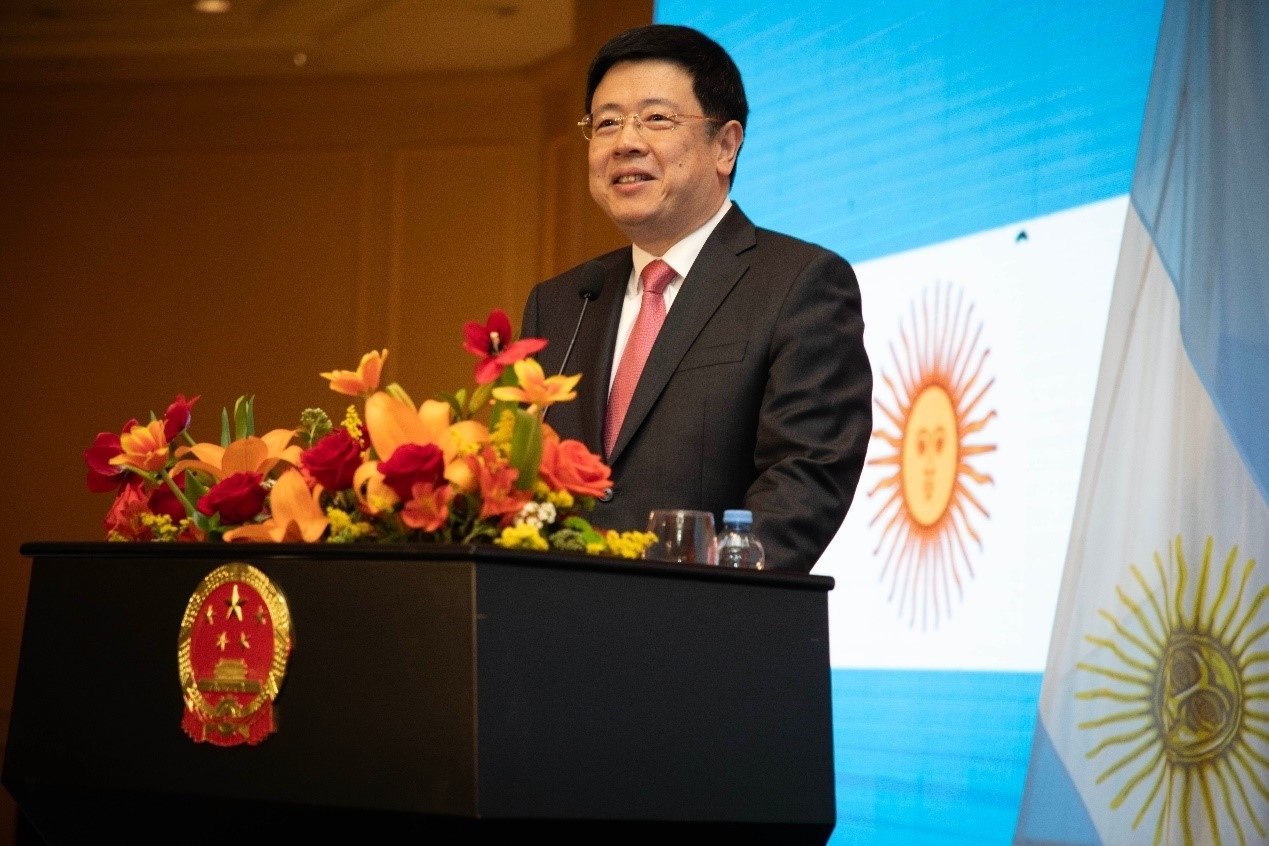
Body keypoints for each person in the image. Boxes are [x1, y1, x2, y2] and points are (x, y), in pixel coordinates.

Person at [520, 23, 872, 573]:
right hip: (556, 615)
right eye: (607, 122)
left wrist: (704, 592)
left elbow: (807, 476)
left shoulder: (798, 283)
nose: (626, 142)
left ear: (725, 145)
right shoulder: (562, 303)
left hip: (708, 617)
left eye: (657, 118)